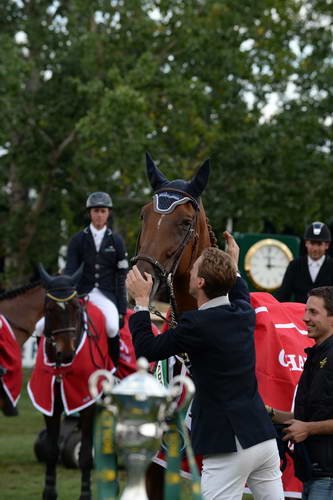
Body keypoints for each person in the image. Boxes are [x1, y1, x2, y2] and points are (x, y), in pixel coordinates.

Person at [126, 231, 284, 500]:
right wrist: (231, 264)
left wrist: (141, 303)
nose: (188, 273)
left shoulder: (196, 325)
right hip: (263, 438)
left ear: (200, 282)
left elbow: (147, 350)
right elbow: (240, 289)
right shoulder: (243, 311)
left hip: (229, 444)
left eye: (193, 269)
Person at [267, 286, 333, 499]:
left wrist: (309, 429)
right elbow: (308, 416)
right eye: (306, 311)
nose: (305, 318)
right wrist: (267, 412)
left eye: (313, 312)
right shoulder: (315, 355)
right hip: (313, 473)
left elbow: (308, 423)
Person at [64, 191, 128, 365]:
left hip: (106, 294)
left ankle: (113, 368)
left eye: (103, 211)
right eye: (95, 211)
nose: (99, 215)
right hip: (81, 293)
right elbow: (70, 272)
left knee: (113, 327)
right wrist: (68, 298)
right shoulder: (77, 240)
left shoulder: (116, 241)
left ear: (108, 213)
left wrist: (122, 309)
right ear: (89, 213)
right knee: (45, 326)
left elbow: (121, 277)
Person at [277, 221, 333, 303]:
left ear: (327, 245)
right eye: (312, 243)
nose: (315, 248)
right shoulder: (295, 265)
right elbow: (283, 295)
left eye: (319, 244)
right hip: (298, 313)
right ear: (306, 243)